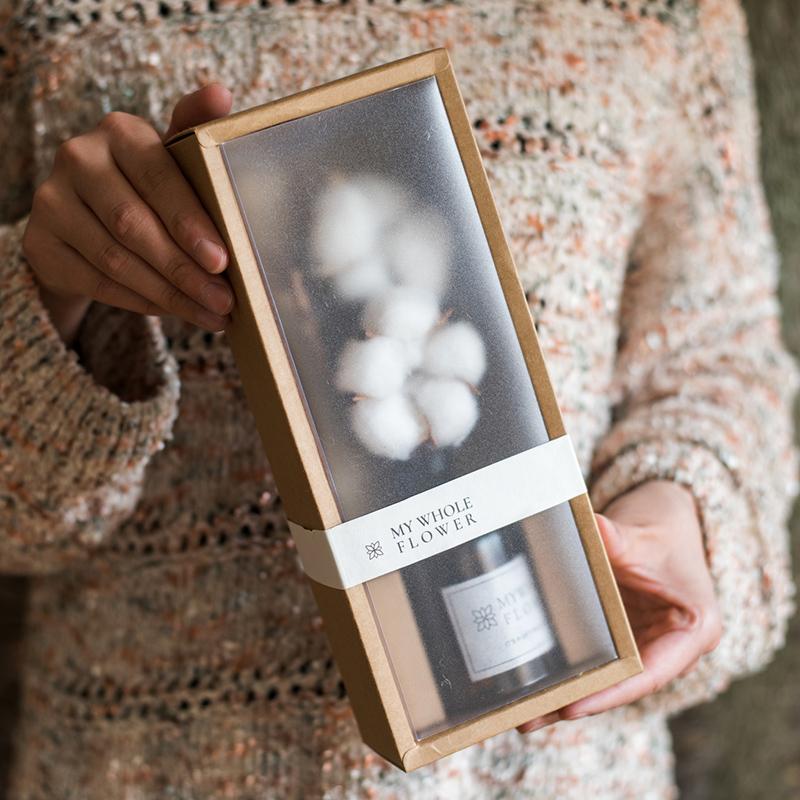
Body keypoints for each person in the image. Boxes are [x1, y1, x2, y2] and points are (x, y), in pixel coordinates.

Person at [1, 0, 797, 797]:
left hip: (552, 766)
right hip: (145, 765)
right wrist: (45, 293)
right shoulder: (47, 19)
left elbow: (714, 351)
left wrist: (680, 514)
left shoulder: (658, 13)